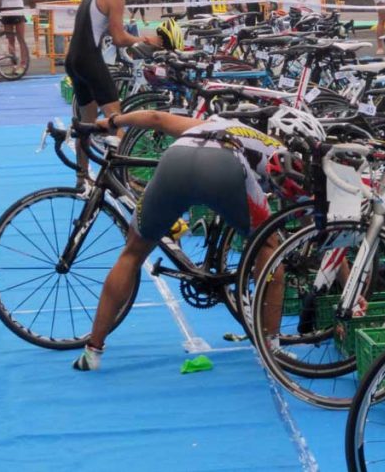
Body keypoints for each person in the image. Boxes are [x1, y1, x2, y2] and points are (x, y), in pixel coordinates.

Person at [71, 107, 313, 371]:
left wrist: (110, 122)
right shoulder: (278, 151)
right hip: (224, 166)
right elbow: (310, 217)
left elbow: (155, 118)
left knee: (132, 253)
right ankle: (271, 349)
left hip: (177, 159)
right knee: (268, 246)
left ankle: (92, 351)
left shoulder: (214, 122)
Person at [64, 0, 162, 182]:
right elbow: (118, 39)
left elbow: (100, 28)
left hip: (73, 60)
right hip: (89, 60)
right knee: (115, 119)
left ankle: (82, 177)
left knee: (86, 124)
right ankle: (123, 176)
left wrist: (128, 35)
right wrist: (145, 40)